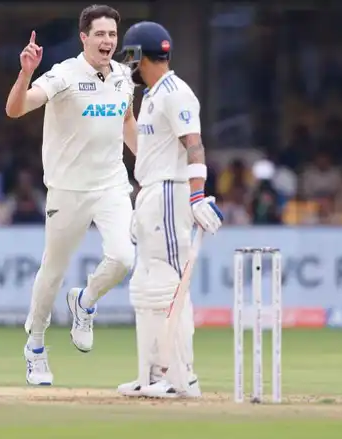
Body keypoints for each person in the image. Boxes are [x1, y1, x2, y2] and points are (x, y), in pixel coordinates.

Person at [4, 4, 138, 385]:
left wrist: (146, 166)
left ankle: (85, 301)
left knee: (124, 258)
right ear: (84, 37)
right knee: (54, 271)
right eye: (100, 34)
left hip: (111, 184)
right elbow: (16, 109)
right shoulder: (63, 74)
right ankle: (35, 345)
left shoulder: (124, 77)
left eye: (112, 35)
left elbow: (127, 122)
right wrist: (25, 73)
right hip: (68, 188)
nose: (107, 41)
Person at [115, 21, 223, 398]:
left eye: (130, 56)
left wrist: (197, 196)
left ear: (139, 56)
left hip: (170, 194)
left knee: (170, 286)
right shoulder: (152, 96)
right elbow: (148, 153)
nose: (127, 64)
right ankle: (152, 374)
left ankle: (182, 376)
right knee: (145, 287)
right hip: (150, 194)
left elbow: (194, 145)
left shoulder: (176, 93)